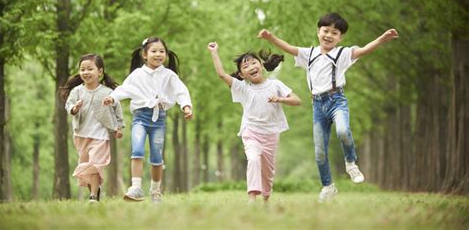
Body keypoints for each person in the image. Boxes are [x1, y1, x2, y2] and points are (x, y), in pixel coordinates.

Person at [258, 12, 399, 203]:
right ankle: (328, 186)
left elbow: (364, 50)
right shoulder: (310, 54)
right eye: (326, 31)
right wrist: (270, 37)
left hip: (337, 100)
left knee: (343, 130)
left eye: (335, 33)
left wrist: (382, 39)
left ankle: (351, 163)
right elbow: (290, 49)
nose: (329, 35)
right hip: (317, 105)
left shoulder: (342, 54)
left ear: (340, 38)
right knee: (320, 150)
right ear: (318, 31)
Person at [207, 41, 301, 203]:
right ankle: (252, 197)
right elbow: (222, 74)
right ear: (242, 74)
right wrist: (214, 52)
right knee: (253, 159)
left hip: (271, 134)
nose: (251, 67)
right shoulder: (243, 87)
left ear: (262, 65)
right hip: (251, 131)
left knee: (268, 171)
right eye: (245, 66)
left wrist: (280, 99)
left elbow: (297, 100)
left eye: (253, 62)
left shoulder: (276, 84)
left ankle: (266, 198)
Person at [103, 37, 193, 202]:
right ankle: (136, 187)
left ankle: (155, 190)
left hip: (159, 120)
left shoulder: (169, 75)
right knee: (137, 150)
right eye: (154, 51)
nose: (158, 54)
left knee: (157, 157)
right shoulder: (137, 74)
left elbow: (181, 91)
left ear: (166, 54)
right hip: (140, 118)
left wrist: (186, 106)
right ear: (144, 54)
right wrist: (112, 98)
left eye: (161, 51)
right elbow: (125, 89)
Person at [61, 53, 124, 203]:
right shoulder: (77, 91)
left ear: (100, 71)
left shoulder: (107, 92)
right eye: (82, 69)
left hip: (100, 136)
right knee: (87, 165)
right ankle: (94, 191)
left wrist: (119, 127)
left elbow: (117, 109)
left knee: (95, 164)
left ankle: (93, 196)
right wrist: (74, 109)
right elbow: (68, 106)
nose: (86, 72)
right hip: (81, 135)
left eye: (90, 69)